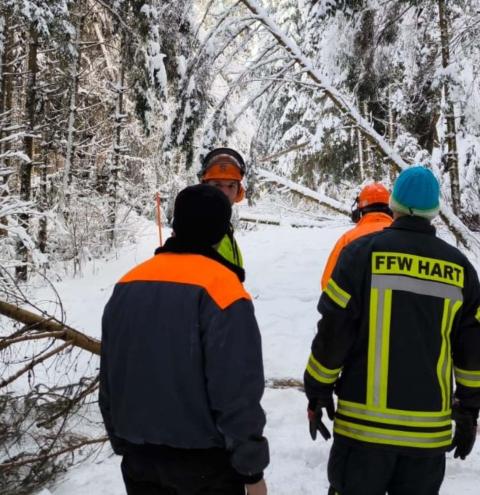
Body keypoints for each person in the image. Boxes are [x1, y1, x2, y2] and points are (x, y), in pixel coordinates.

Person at [304, 165, 480, 495]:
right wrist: (470, 410)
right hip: (426, 440)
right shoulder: (461, 270)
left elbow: (333, 331)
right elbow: (472, 354)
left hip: (362, 434)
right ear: (435, 212)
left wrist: (318, 388)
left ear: (394, 205)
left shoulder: (360, 254)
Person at [99, 184, 269, 495]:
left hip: (139, 461)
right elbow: (236, 391)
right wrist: (252, 469)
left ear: (176, 225)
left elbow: (110, 375)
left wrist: (120, 439)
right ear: (221, 233)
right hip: (206, 467)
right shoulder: (224, 291)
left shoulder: (127, 285)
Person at [321, 182, 393, 290]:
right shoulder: (405, 237)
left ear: (359, 211)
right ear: (391, 209)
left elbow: (327, 284)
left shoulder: (347, 239)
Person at [199, 147, 246, 268]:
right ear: (204, 188)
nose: (224, 193)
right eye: (217, 185)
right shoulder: (196, 230)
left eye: (231, 185)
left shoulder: (223, 227)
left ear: (238, 191)